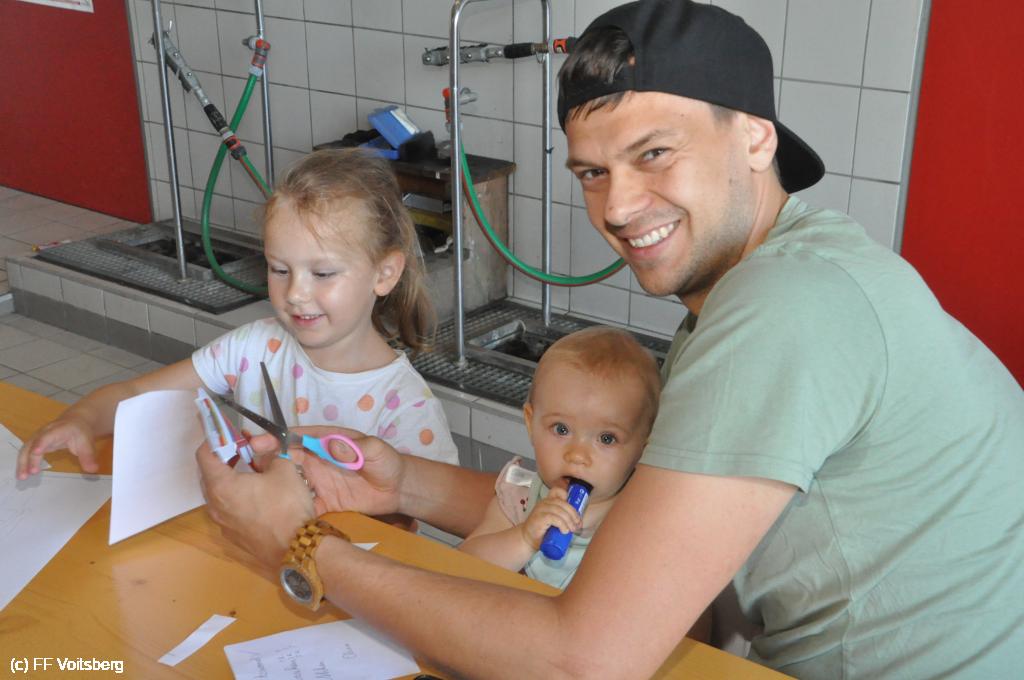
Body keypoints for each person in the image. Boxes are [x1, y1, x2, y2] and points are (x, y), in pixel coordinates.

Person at [197, 1, 1024, 678]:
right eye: (593, 172)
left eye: (654, 154)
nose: (618, 207)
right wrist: (403, 482)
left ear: (755, 137)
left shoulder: (787, 307)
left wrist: (302, 546)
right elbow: (603, 518)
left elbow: (584, 661)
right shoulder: (778, 281)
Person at [17, 148, 460, 482]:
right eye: (279, 269)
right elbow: (137, 393)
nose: (295, 293)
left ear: (384, 273)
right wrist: (81, 419)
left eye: (323, 273)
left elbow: (416, 521)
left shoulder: (406, 409)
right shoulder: (253, 347)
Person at [459, 326, 660, 589]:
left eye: (607, 438)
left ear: (643, 448)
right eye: (561, 429)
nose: (577, 455)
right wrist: (524, 538)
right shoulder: (519, 498)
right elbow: (462, 569)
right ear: (531, 424)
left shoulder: (642, 520)